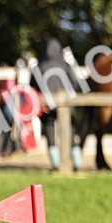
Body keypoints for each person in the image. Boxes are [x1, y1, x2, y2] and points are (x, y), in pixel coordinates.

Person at [34, 38, 83, 171]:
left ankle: (55, 165)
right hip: (67, 104)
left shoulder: (39, 66)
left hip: (47, 105)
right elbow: (76, 84)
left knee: (50, 132)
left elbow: (33, 88)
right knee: (71, 131)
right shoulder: (65, 65)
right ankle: (77, 163)